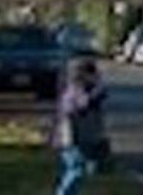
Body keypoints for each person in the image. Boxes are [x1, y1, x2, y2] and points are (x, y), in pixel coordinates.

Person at [53, 55, 113, 192]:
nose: (95, 77)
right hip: (71, 138)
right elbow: (82, 105)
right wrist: (97, 91)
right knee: (76, 169)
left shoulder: (86, 89)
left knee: (81, 169)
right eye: (92, 74)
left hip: (84, 137)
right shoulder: (74, 91)